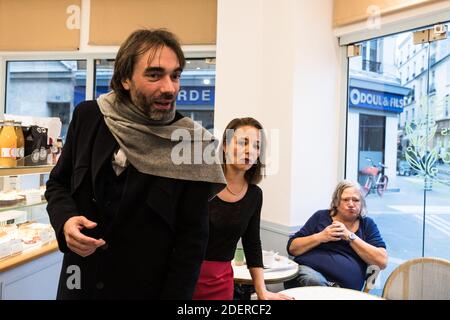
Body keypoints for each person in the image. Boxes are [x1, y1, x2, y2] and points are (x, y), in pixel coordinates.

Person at [45, 29, 226, 299]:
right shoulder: (89, 117)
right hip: (79, 284)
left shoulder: (192, 144)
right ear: (125, 79)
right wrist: (66, 220)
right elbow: (58, 184)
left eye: (175, 75)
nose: (169, 88)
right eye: (154, 75)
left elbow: (192, 244)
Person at [192, 118, 293, 300]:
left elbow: (252, 243)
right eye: (242, 142)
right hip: (186, 276)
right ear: (224, 146)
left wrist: (262, 291)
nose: (250, 151)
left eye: (256, 146)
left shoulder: (254, 195)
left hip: (221, 281)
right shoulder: (201, 184)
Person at [285, 180, 388, 290]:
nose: (351, 204)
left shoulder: (367, 224)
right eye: (345, 200)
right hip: (309, 273)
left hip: (344, 286)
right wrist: (321, 237)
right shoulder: (320, 216)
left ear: (361, 204)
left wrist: (350, 236)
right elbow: (292, 248)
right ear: (336, 203)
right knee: (312, 280)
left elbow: (382, 262)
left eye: (356, 200)